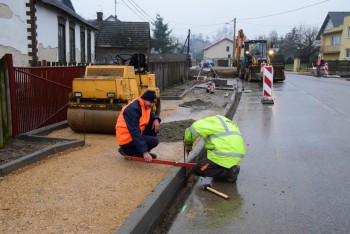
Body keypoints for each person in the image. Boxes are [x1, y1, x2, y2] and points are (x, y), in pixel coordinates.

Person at [184, 115, 246, 183]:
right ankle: (225, 168)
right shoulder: (226, 122)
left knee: (199, 169)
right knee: (211, 161)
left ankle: (230, 172)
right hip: (237, 154)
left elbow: (193, 130)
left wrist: (188, 144)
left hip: (224, 154)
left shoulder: (208, 122)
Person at [116, 90, 161, 162]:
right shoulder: (133, 109)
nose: (152, 105)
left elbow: (150, 114)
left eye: (153, 102)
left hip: (134, 134)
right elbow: (134, 131)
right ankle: (127, 151)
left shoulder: (145, 105)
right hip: (127, 139)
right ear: (144, 99)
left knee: (153, 125)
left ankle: (138, 152)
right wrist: (145, 151)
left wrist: (156, 119)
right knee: (154, 141)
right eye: (150, 102)